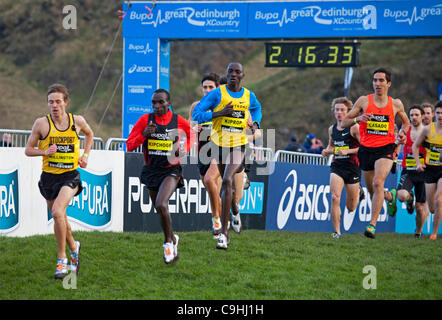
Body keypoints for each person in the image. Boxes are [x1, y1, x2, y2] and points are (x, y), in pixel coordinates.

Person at [24, 83, 94, 279]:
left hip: (70, 176)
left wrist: (86, 155)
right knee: (59, 218)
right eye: (50, 102)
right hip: (49, 178)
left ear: (66, 102)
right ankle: (74, 247)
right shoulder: (41, 124)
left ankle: (62, 258)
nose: (54, 105)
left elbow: (90, 134)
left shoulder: (77, 121)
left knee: (57, 211)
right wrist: (45, 151)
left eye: (57, 101)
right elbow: (28, 150)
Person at [192, 62, 262, 249]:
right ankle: (234, 208)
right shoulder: (217, 94)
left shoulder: (248, 95)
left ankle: (224, 234)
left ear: (243, 75)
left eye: (237, 72)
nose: (233, 74)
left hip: (238, 145)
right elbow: (197, 114)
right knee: (226, 184)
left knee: (228, 180)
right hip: (217, 145)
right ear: (226, 74)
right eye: (230, 71)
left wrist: (255, 123)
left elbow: (257, 108)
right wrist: (218, 113)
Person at [127, 89, 195, 263]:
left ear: (168, 103)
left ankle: (167, 244)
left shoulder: (177, 121)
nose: (157, 106)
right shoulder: (145, 120)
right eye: (154, 103)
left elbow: (191, 135)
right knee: (159, 209)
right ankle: (173, 238)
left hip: (170, 169)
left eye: (161, 102)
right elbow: (129, 144)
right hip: (151, 170)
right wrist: (144, 135)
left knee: (161, 203)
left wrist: (183, 149)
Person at [342, 67, 410, 239]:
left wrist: (401, 135)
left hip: (386, 148)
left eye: (381, 80)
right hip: (366, 150)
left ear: (388, 83)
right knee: (373, 191)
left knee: (379, 182)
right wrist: (358, 119)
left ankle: (372, 226)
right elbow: (344, 123)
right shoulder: (364, 101)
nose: (377, 84)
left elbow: (406, 124)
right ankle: (390, 196)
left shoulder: (396, 104)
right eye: (375, 80)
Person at [384, 105, 430, 238]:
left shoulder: (427, 132)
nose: (414, 117)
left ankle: (418, 232)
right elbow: (397, 144)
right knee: (402, 196)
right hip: (408, 171)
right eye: (411, 115)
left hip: (424, 172)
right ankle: (410, 200)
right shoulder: (406, 131)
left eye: (416, 115)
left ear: (422, 117)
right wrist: (393, 161)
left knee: (421, 208)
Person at [188, 73, 223, 238]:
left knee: (210, 180)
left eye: (211, 87)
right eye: (205, 87)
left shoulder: (222, 106)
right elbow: (189, 125)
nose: (207, 90)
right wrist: (194, 128)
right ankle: (223, 224)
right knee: (211, 191)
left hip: (219, 150)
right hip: (202, 152)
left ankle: (216, 220)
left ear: (217, 89)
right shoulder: (196, 106)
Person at [321, 97, 361, 238]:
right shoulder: (332, 129)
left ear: (348, 112)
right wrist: (326, 151)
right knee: (334, 197)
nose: (339, 113)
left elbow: (364, 148)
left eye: (342, 110)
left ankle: (359, 192)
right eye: (337, 110)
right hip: (337, 166)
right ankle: (337, 232)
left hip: (352, 167)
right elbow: (331, 146)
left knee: (351, 207)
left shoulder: (354, 128)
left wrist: (348, 151)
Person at [413, 100, 442, 240]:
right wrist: (418, 163)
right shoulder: (427, 129)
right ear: (434, 114)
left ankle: (434, 234)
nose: (440, 115)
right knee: (431, 208)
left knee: (439, 200)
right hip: (430, 169)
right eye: (438, 113)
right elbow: (415, 146)